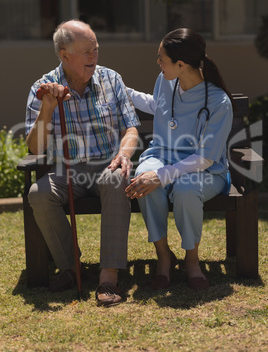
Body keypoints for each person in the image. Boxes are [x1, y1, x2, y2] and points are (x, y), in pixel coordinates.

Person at [26, 20, 139, 306]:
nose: (94, 56)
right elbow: (35, 148)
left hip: (107, 165)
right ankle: (71, 267)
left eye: (96, 49)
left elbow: (131, 129)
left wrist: (124, 154)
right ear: (64, 55)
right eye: (86, 51)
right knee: (38, 194)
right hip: (67, 171)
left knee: (115, 179)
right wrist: (47, 110)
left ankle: (108, 278)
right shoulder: (43, 88)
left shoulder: (111, 79)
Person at [126, 28, 234, 291]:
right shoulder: (166, 80)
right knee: (144, 180)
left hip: (205, 169)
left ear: (181, 64)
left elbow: (206, 158)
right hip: (161, 156)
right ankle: (164, 256)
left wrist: (162, 176)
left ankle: (192, 260)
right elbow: (158, 106)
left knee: (186, 189)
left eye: (161, 57)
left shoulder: (219, 102)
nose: (158, 62)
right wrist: (121, 89)